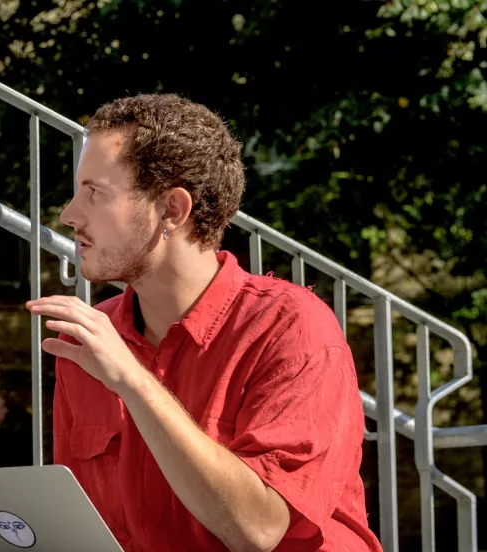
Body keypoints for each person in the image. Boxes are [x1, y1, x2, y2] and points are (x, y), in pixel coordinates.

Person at [26, 93, 381, 551]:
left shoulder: (293, 327)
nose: (69, 214)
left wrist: (132, 380)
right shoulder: (92, 337)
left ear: (172, 210)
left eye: (95, 193)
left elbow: (259, 528)